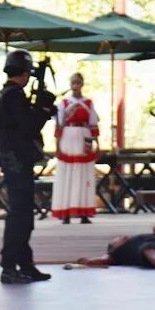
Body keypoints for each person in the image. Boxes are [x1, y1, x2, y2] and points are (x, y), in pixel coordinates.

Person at [0, 50, 54, 284]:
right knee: (20, 216)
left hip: (13, 161)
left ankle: (25, 265)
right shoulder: (14, 96)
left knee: (23, 215)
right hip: (17, 161)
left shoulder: (4, 96)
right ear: (25, 73)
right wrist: (44, 110)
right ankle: (9, 267)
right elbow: (29, 126)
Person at [52, 72, 99, 225]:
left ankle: (84, 212)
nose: (76, 85)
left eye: (78, 82)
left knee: (84, 175)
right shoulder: (64, 103)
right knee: (68, 174)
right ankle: (65, 212)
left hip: (84, 137)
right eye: (73, 82)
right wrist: (57, 146)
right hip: (68, 137)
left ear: (82, 84)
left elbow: (93, 124)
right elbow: (59, 124)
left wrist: (97, 145)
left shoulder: (88, 103)